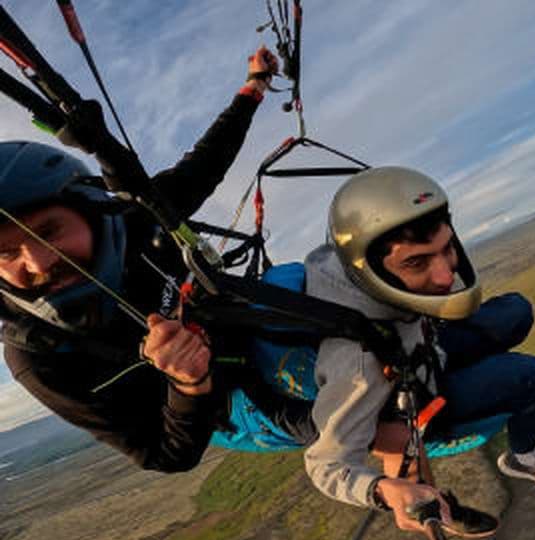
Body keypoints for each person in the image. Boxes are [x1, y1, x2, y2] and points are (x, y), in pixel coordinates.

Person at [0, 46, 318, 471]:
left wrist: (254, 86)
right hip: (229, 404)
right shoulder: (38, 357)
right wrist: (189, 384)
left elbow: (206, 163)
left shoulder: (136, 220)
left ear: (90, 211)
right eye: (5, 253)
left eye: (49, 231)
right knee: (366, 406)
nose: (38, 262)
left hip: (250, 318)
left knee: (335, 278)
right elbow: (166, 454)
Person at [303, 166, 535, 533]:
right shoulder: (357, 364)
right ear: (370, 268)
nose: (445, 276)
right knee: (528, 377)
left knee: (516, 311)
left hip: (422, 344)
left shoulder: (344, 265)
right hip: (419, 393)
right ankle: (528, 458)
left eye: (447, 248)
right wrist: (381, 490)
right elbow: (327, 466)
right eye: (417, 262)